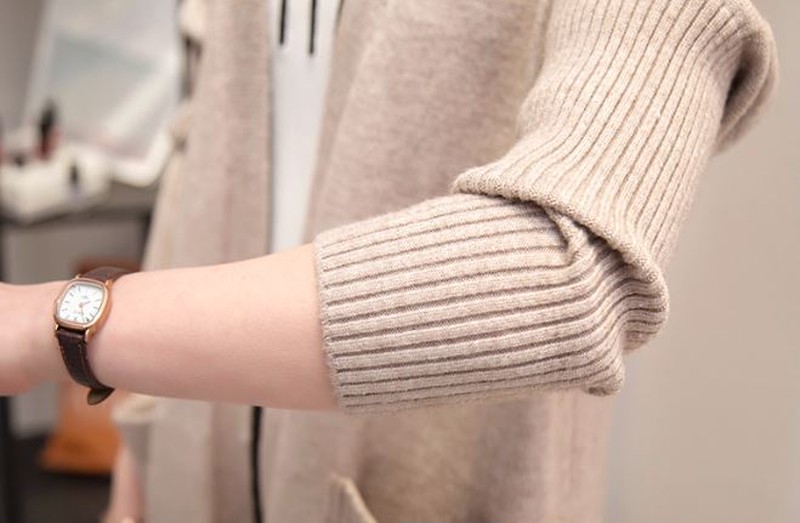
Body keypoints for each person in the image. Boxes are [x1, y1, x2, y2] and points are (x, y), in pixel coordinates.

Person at [0, 0, 778, 521]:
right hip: (190, 485)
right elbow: (205, 133)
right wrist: (141, 450)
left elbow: (573, 271)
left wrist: (61, 322)